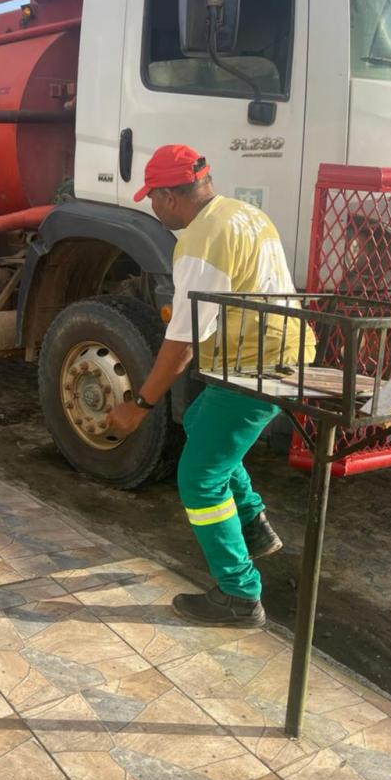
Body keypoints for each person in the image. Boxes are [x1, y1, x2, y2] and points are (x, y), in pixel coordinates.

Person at [108, 144, 315, 628]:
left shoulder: (200, 240)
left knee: (199, 478)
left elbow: (181, 344)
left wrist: (139, 405)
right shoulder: (245, 214)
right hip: (284, 353)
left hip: (255, 367)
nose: (153, 210)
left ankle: (239, 595)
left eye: (152, 199)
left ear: (168, 196)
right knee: (201, 422)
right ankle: (252, 522)